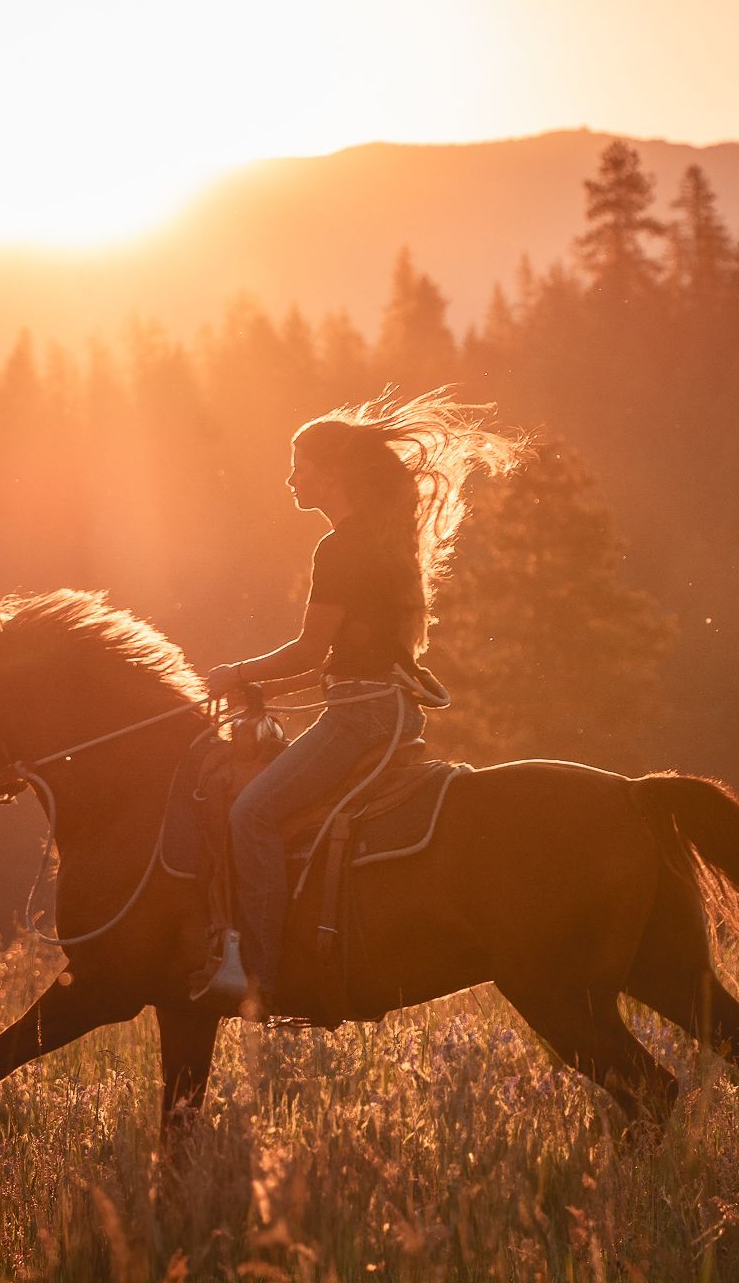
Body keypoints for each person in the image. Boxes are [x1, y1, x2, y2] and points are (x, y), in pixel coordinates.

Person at [195, 387, 524, 1015]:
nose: (290, 478)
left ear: (333, 473)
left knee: (252, 814)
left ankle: (266, 978)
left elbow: (307, 654)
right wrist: (251, 687)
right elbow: (328, 662)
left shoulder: (341, 547)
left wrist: (235, 672)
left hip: (358, 715)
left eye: (300, 465)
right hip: (381, 707)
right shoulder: (380, 538)